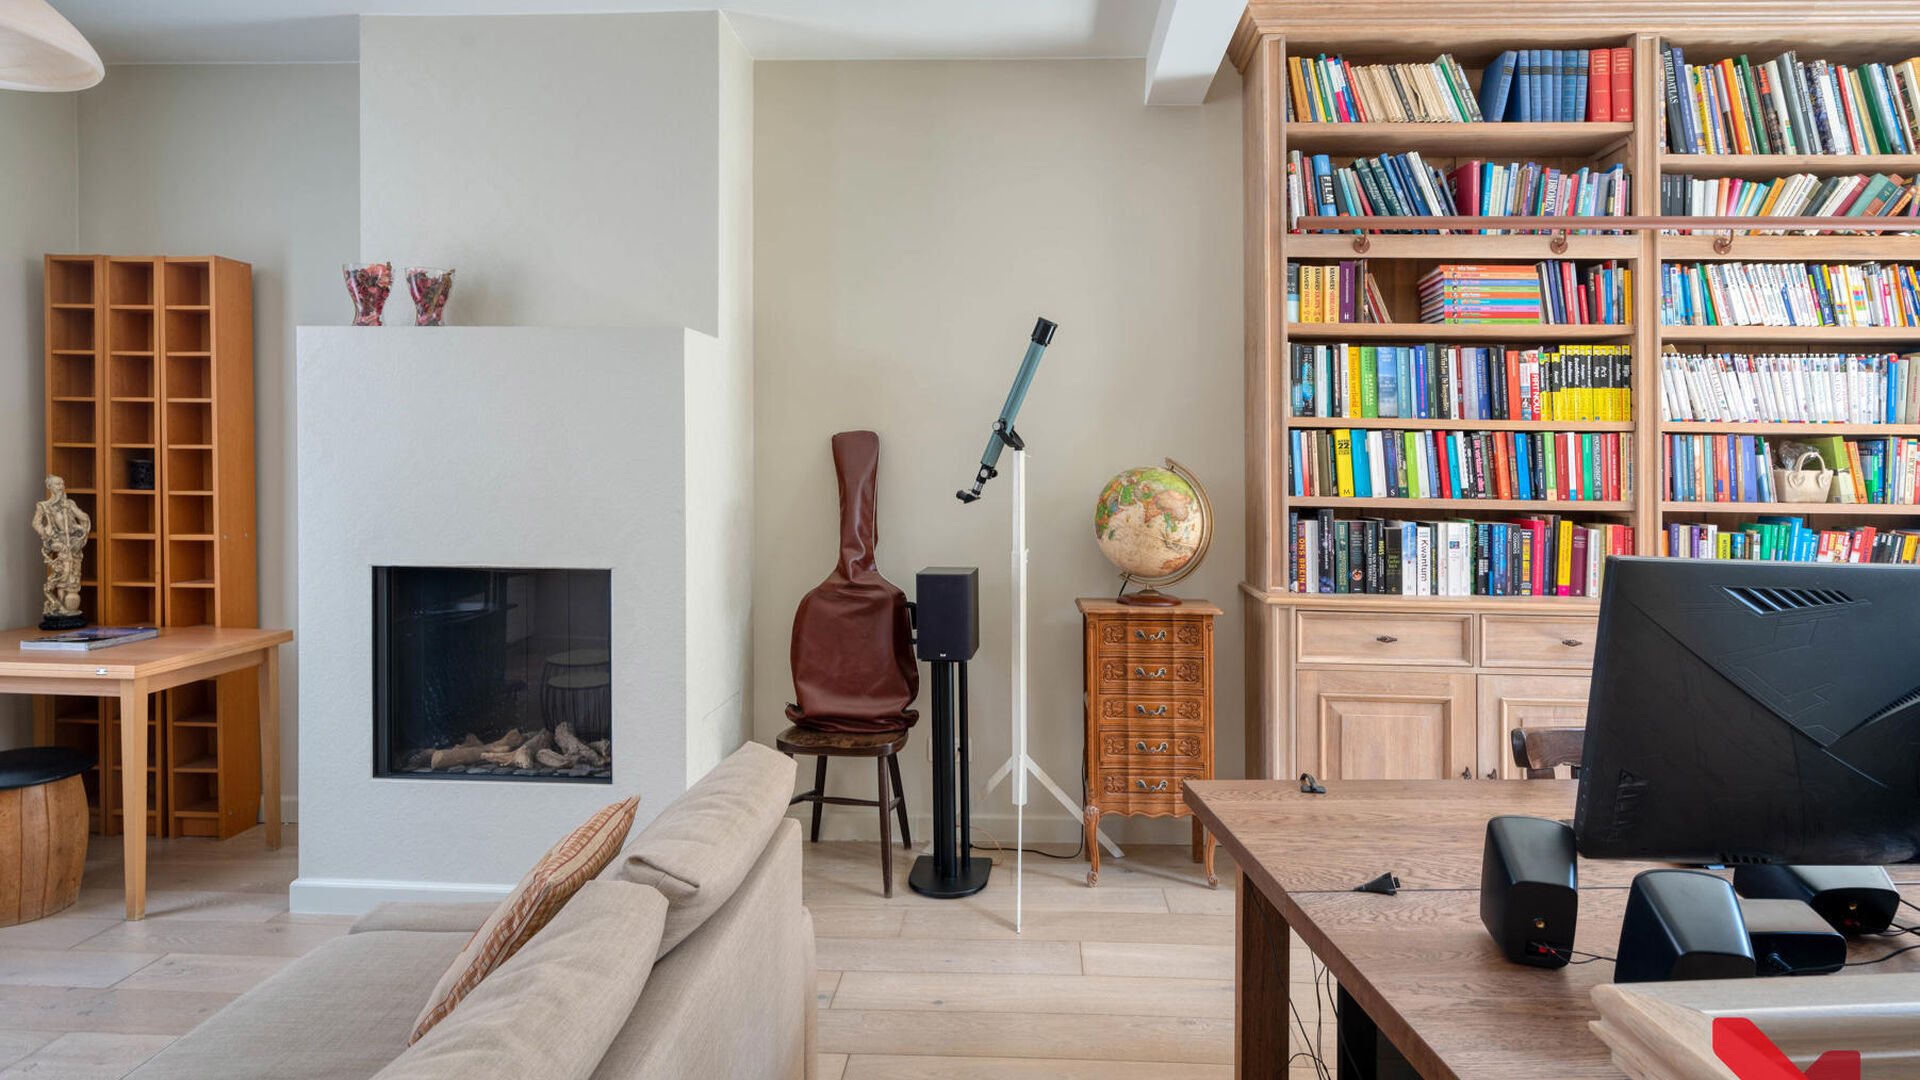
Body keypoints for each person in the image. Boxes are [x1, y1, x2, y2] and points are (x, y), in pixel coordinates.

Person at [33, 475, 91, 628]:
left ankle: (69, 608)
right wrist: (47, 535)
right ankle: (60, 606)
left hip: (72, 544)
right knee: (62, 575)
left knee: (73, 575)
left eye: (62, 484)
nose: (61, 486)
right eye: (58, 484)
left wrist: (74, 516)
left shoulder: (69, 504)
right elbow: (36, 523)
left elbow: (84, 518)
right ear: (50, 487)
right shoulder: (44, 506)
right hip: (59, 544)